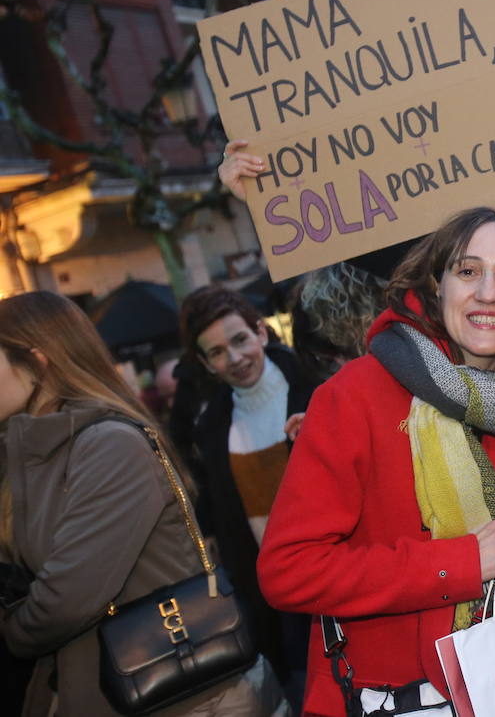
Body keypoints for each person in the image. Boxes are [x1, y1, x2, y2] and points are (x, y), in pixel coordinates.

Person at [256, 208, 495, 717]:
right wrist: (463, 561)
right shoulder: (358, 394)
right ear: (437, 285)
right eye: (468, 271)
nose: (488, 293)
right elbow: (288, 571)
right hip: (404, 697)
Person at [0, 291, 283, 716]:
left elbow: (63, 601)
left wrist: (9, 629)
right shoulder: (28, 455)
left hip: (185, 698)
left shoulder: (107, 444)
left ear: (38, 362)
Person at [176, 285, 317, 703]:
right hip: (277, 604)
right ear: (205, 362)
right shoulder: (212, 427)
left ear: (261, 332)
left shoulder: (316, 387)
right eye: (217, 352)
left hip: (342, 579)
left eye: (239, 340)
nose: (235, 358)